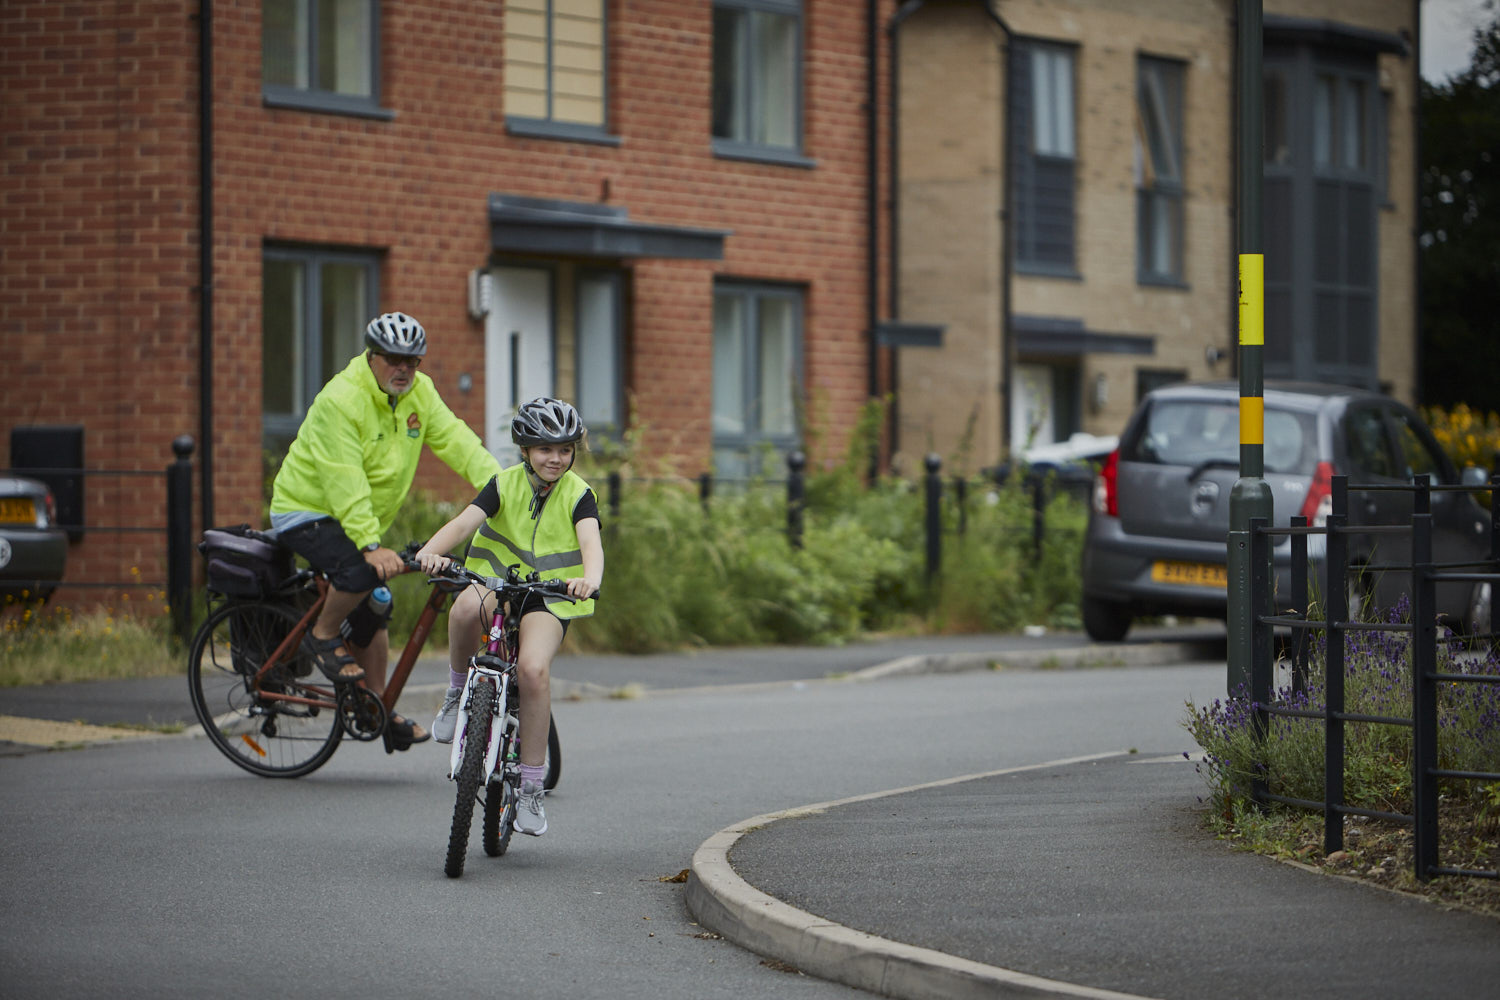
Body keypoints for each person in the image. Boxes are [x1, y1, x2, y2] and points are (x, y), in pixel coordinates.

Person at [269, 311, 502, 749]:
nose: (405, 370)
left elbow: (458, 441)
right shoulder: (341, 399)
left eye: (413, 362)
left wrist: (503, 490)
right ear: (372, 356)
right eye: (394, 359)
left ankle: (375, 705)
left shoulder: (420, 393)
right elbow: (344, 477)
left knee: (376, 604)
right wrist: (369, 545)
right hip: (306, 511)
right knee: (361, 573)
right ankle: (322, 635)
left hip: (356, 521)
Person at [414, 397, 603, 836]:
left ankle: (532, 788)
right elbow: (463, 523)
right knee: (463, 608)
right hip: (495, 581)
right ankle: (457, 693)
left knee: (533, 671)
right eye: (544, 448)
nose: (556, 458)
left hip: (549, 596)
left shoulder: (579, 494)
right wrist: (430, 552)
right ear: (524, 450)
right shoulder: (503, 484)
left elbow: (591, 545)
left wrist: (588, 580)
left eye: (564, 449)